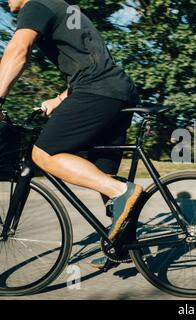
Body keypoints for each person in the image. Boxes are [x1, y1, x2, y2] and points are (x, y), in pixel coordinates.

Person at [0, 0, 143, 269]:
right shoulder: (68, 10)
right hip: (118, 91)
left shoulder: (37, 4)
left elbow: (18, 49)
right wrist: (59, 99)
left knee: (43, 154)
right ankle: (123, 245)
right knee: (102, 172)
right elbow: (91, 61)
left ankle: (122, 191)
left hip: (98, 92)